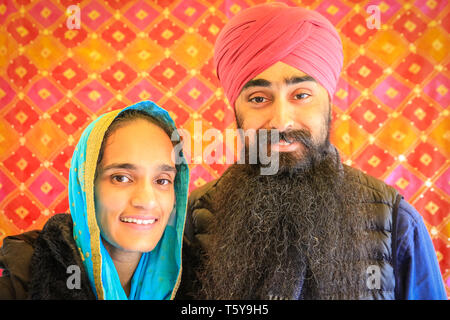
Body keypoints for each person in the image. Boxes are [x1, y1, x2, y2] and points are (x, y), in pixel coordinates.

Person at [178, 3, 447, 300]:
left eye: (301, 95)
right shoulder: (191, 221)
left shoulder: (396, 222)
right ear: (236, 109)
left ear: (328, 104)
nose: (281, 120)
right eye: (258, 98)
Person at [0, 100, 190, 299]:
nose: (147, 201)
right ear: (86, 186)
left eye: (162, 180)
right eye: (121, 178)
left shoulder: (201, 281)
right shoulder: (24, 281)